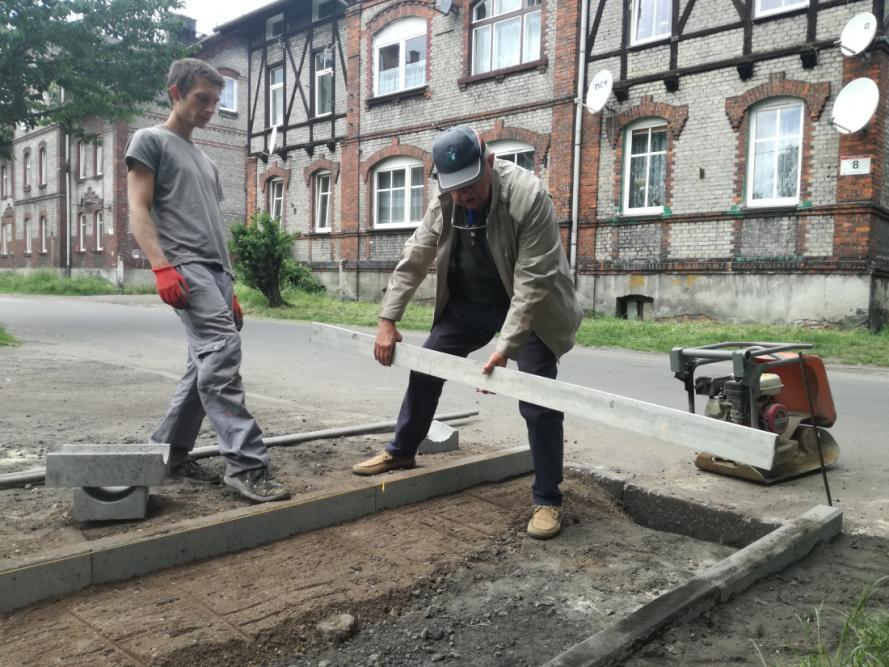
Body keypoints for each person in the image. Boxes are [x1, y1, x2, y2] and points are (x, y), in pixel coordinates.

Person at [352, 125, 583, 539]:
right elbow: (416, 256)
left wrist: (505, 348)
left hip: (533, 309)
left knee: (536, 397)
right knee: (427, 365)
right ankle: (402, 452)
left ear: (489, 163)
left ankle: (548, 497)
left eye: (472, 185)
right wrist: (388, 319)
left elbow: (533, 282)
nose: (464, 196)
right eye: (454, 188)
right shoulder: (446, 200)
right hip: (472, 304)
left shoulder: (529, 196)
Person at [125, 58, 290, 503]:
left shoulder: (204, 159)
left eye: (216, 101)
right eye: (203, 98)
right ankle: (247, 466)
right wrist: (161, 266)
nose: (211, 108)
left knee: (203, 364)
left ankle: (169, 453)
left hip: (215, 273)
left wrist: (229, 286)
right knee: (221, 358)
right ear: (175, 93)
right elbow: (138, 209)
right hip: (184, 266)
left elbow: (211, 225)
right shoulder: (149, 141)